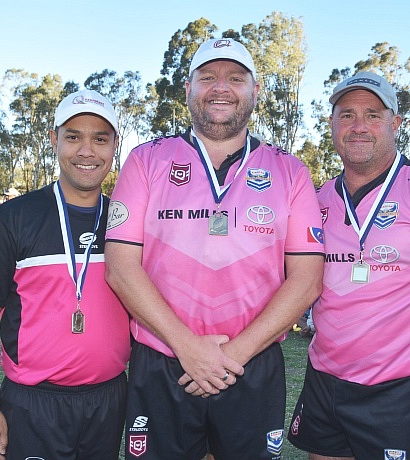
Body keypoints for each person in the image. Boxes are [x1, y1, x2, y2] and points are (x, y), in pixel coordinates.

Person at [105, 37, 324, 460]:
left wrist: (229, 357)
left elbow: (307, 280)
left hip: (252, 361)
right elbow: (120, 268)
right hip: (163, 359)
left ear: (255, 91)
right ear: (188, 89)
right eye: (207, 77)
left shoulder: (291, 170)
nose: (220, 87)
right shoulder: (146, 160)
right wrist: (188, 348)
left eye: (235, 78)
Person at [286, 71, 410, 460]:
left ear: (395, 123)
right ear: (332, 124)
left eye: (373, 115)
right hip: (324, 381)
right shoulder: (318, 197)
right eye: (347, 115)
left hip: (399, 390)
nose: (358, 126)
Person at [0, 89, 131, 460]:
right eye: (73, 137)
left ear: (114, 145)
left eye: (99, 139)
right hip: (33, 402)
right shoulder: (14, 217)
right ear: (54, 140)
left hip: (109, 396)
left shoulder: (127, 221)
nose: (86, 151)